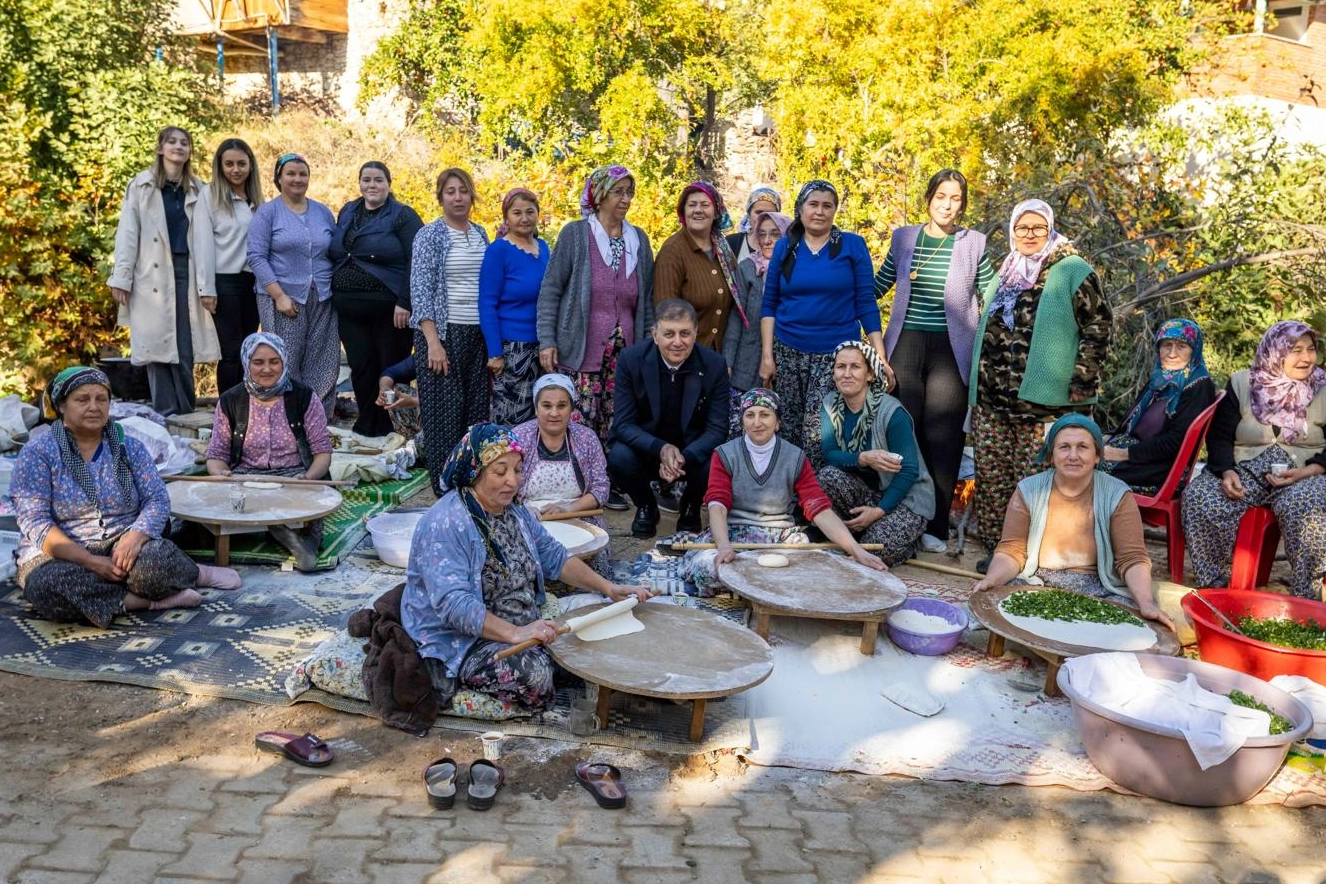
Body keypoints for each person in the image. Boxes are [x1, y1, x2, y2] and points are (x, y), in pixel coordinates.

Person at [402, 424, 651, 712]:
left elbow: (554, 556)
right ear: (474, 471)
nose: (512, 481)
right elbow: (454, 605)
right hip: (464, 638)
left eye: (518, 470)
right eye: (500, 471)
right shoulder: (447, 523)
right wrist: (515, 634)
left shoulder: (515, 510)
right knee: (536, 675)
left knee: (601, 613)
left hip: (521, 618)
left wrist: (609, 588)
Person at [11, 367, 240, 628]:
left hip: (123, 541)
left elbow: (156, 499)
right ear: (61, 406)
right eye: (82, 399)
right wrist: (93, 562)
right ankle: (146, 601)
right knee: (45, 585)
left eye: (102, 399)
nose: (94, 407)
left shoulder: (128, 445)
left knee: (156, 561)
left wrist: (134, 538)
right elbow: (36, 523)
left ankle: (196, 573)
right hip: (64, 553)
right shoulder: (38, 453)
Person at [967, 199, 1111, 568]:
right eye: (1022, 228)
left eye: (1037, 228)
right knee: (993, 475)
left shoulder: (1072, 270)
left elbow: (1098, 325)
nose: (1029, 235)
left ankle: (1031, 550)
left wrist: (1083, 378)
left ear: (1050, 229)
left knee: (1035, 478)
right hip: (993, 397)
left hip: (1044, 402)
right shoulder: (1007, 270)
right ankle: (998, 549)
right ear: (1012, 230)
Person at [876, 169, 995, 553]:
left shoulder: (975, 243)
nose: (947, 204)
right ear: (929, 198)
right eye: (941, 196)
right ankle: (901, 515)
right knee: (903, 432)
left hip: (952, 348)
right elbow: (879, 285)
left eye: (955, 198)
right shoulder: (904, 237)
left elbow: (993, 295)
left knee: (943, 439)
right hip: (906, 345)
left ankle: (937, 525)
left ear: (962, 204)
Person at [972, 415, 1173, 629]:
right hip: (1037, 583)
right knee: (994, 600)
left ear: (1097, 456)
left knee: (1130, 620)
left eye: (1083, 447)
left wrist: (1146, 603)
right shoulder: (1029, 490)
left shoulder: (1117, 495)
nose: (1073, 456)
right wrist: (992, 580)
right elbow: (1011, 551)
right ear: (1051, 456)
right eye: (1064, 447)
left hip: (1098, 588)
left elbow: (1132, 559)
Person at [681, 388, 886, 595]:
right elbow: (718, 505)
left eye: (765, 414)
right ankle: (762, 588)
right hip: (733, 534)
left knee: (817, 571)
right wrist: (724, 546)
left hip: (780, 538)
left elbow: (818, 508)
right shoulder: (725, 454)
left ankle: (749, 588)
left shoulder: (795, 457)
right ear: (742, 421)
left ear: (777, 422)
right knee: (707, 568)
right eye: (750, 415)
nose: (757, 422)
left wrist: (856, 549)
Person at [1183, 321, 1326, 600]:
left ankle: (1307, 596)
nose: (1306, 358)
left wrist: (1311, 470)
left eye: (1311, 349)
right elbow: (1220, 436)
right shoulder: (1242, 382)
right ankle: (1216, 585)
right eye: (1296, 350)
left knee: (1304, 505)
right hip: (1246, 470)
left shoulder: (1323, 387)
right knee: (1199, 497)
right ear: (1275, 351)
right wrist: (1226, 472)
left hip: (1306, 474)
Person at [759, 180, 891, 461]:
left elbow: (865, 301)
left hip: (835, 355)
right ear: (801, 209)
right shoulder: (785, 248)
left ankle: (818, 499)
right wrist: (767, 356)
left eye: (827, 206)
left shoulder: (852, 246)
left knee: (820, 431)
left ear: (834, 211)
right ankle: (792, 495)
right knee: (789, 428)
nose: (819, 211)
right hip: (788, 351)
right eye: (813, 204)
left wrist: (878, 352)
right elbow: (769, 304)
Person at [537, 165, 656, 466]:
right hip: (580, 347)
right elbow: (551, 290)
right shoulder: (576, 235)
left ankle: (610, 479)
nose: (626, 199)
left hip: (624, 353)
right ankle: (579, 477)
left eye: (629, 193)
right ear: (599, 195)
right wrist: (547, 341)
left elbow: (648, 300)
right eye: (618, 192)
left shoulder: (638, 240)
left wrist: (645, 349)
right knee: (580, 417)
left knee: (618, 417)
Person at [108, 125, 220, 417]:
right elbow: (128, 233)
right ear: (160, 148)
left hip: (187, 270)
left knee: (185, 346)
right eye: (172, 142)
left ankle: (185, 411)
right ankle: (165, 413)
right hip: (151, 274)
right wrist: (122, 277)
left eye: (184, 143)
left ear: (189, 151)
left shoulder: (199, 189)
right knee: (156, 348)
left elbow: (207, 239)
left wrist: (208, 285)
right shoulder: (141, 186)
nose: (178, 147)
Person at [205, 333, 335, 571]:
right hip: (247, 478)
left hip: (295, 477)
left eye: (274, 361)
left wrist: (307, 478)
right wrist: (221, 474)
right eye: (258, 362)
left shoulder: (304, 396)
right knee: (213, 500)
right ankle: (283, 532)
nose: (267, 369)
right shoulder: (231, 400)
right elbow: (216, 456)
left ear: (284, 362)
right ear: (247, 363)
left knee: (313, 501)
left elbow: (322, 453)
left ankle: (303, 540)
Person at [609, 299, 730, 538]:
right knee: (618, 456)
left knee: (718, 458)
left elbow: (717, 429)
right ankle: (646, 506)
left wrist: (683, 458)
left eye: (685, 333)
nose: (677, 342)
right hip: (647, 448)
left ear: (695, 333)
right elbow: (623, 424)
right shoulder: (631, 360)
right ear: (655, 335)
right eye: (669, 334)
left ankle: (690, 508)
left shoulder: (715, 365)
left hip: (691, 452)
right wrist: (661, 449)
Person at [329, 161, 424, 438]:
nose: (372, 185)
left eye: (378, 180)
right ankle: (368, 427)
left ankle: (395, 428)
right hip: (349, 308)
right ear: (359, 183)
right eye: (367, 180)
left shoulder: (402, 216)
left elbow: (416, 260)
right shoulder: (348, 211)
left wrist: (406, 301)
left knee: (390, 367)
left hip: (391, 309)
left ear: (389, 184)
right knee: (361, 367)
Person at [816, 341, 934, 565]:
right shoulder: (831, 404)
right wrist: (863, 457)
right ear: (833, 373)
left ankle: (909, 538)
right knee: (826, 477)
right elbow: (829, 453)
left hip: (905, 498)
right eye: (841, 367)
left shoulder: (891, 412)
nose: (847, 374)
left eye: (855, 367)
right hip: (867, 491)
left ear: (870, 374)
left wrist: (878, 511)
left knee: (876, 550)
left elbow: (908, 471)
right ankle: (856, 534)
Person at [410, 168, 491, 494]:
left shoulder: (481, 234)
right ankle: (444, 487)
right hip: (443, 333)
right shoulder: (430, 235)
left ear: (472, 195)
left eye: (463, 191)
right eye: (450, 192)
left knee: (474, 412)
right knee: (443, 416)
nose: (458, 197)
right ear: (441, 197)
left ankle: (469, 480)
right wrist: (433, 342)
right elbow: (421, 291)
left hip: (477, 334)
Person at [246, 153, 339, 418]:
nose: (297, 179)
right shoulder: (268, 212)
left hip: (321, 295)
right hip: (283, 296)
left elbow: (332, 250)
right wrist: (278, 295)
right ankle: (285, 417)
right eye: (291, 174)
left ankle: (316, 416)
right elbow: (256, 256)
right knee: (284, 359)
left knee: (323, 358)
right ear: (279, 178)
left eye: (302, 174)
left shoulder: (322, 211)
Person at [511, 374, 611, 574]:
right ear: (536, 407)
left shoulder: (586, 438)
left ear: (572, 409)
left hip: (577, 516)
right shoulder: (519, 437)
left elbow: (601, 488)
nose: (554, 413)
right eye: (547, 406)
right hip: (528, 516)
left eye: (561, 406)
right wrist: (521, 511)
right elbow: (501, 486)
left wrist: (568, 508)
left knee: (594, 567)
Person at [1103, 318, 1217, 492]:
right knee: (1073, 454)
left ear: (1194, 350)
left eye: (1181, 346)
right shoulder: (1159, 379)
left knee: (1083, 468)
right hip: (1137, 454)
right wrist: (1106, 438)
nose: (1172, 353)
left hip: (1161, 468)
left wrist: (1122, 454)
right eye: (1166, 345)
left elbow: (1176, 442)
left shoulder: (1198, 386)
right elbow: (1129, 423)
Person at [194, 137, 264, 395]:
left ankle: (248, 404)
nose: (236, 169)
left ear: (250, 165)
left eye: (241, 164)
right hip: (224, 281)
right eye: (230, 164)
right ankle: (228, 409)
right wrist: (206, 288)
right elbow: (202, 243)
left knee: (249, 349)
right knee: (231, 351)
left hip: (253, 283)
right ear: (220, 166)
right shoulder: (210, 195)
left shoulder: (256, 198)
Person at [480, 187, 550, 425]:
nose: (524, 218)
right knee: (512, 418)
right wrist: (495, 353)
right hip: (512, 350)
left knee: (540, 415)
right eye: (517, 213)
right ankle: (506, 463)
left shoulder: (545, 248)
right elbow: (487, 304)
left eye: (530, 212)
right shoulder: (499, 250)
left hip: (543, 346)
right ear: (506, 218)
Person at [653, 181, 745, 351]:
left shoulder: (723, 250)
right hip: (684, 355)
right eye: (692, 205)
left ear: (716, 211)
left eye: (705, 205)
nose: (698, 210)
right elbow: (666, 313)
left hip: (719, 356)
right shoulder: (672, 252)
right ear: (683, 211)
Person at [725, 211, 792, 434]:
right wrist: (728, 361)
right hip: (748, 361)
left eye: (775, 234)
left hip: (787, 361)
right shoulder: (747, 267)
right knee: (743, 427)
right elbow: (736, 316)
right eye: (761, 234)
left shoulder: (797, 270)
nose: (767, 240)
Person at [725, 186, 782, 264]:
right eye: (759, 212)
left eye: (770, 213)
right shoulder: (732, 243)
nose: (763, 217)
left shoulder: (784, 245)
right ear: (749, 214)